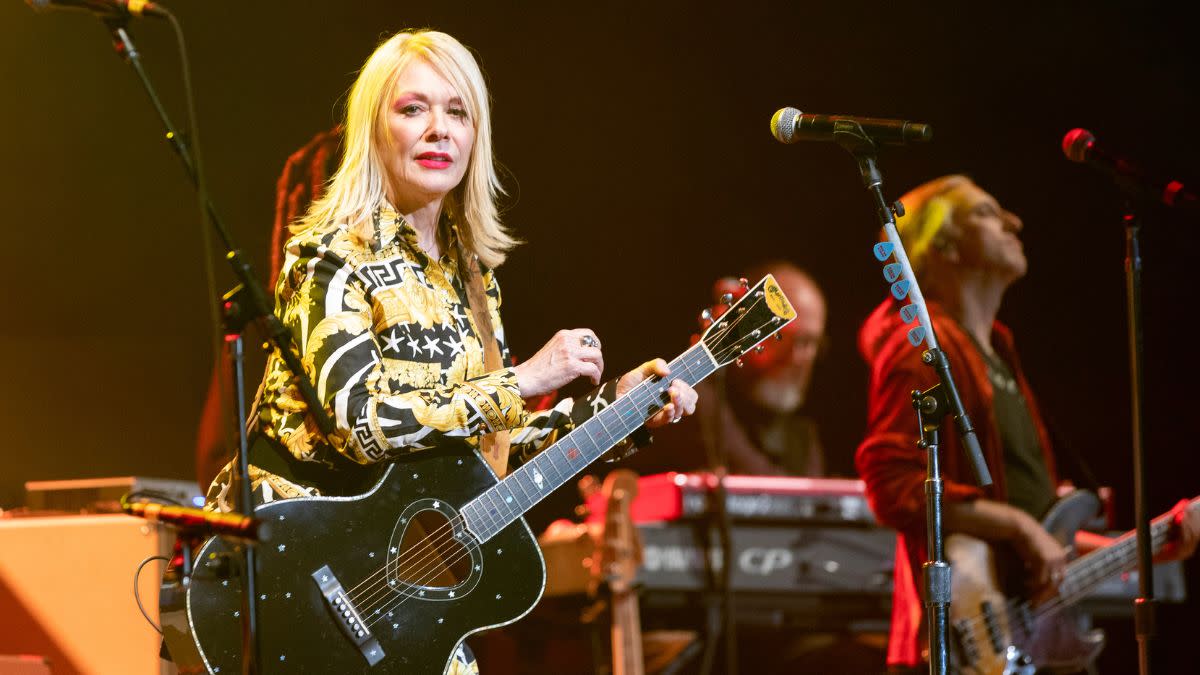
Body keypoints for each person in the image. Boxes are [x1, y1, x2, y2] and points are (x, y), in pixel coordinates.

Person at [203, 29, 698, 673]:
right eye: (413, 109)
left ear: (476, 136)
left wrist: (621, 414)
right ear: (374, 131)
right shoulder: (328, 257)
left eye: (456, 112)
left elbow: (483, 460)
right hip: (299, 592)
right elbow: (363, 424)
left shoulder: (473, 279)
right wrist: (522, 381)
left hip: (410, 617)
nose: (438, 129)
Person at [854, 174, 1200, 672]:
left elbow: (1043, 529)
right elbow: (890, 483)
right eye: (986, 213)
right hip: (964, 639)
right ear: (946, 246)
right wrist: (1017, 526)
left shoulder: (999, 351)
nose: (1014, 222)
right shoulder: (921, 348)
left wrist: (1138, 553)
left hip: (1027, 637)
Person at [629, 261, 828, 477]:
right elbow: (752, 478)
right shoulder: (696, 400)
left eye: (812, 343)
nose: (800, 357)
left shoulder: (802, 436)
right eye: (789, 338)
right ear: (752, 330)